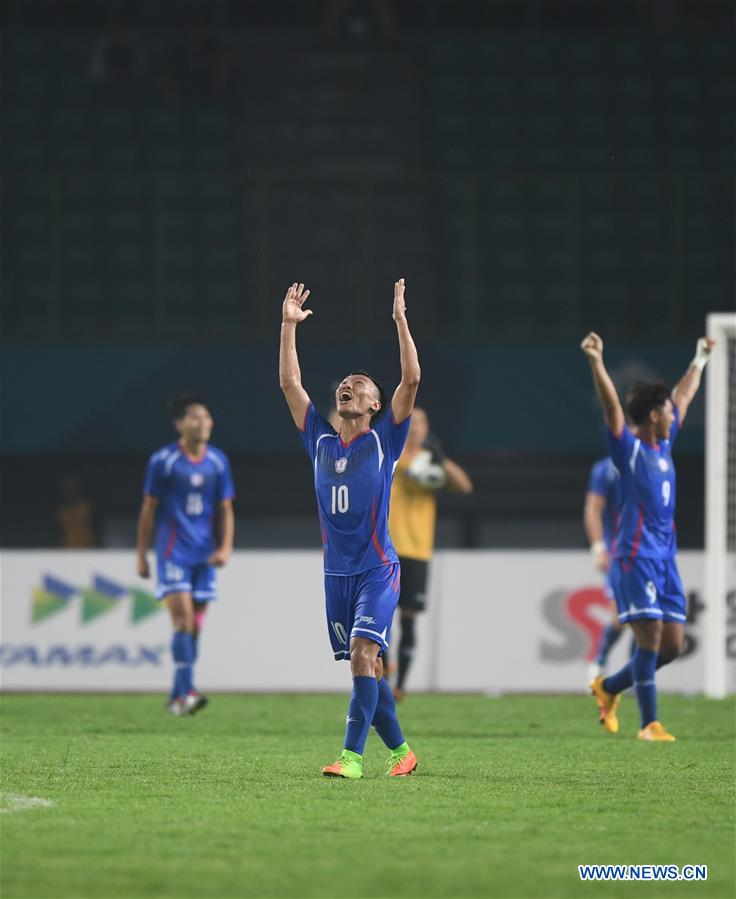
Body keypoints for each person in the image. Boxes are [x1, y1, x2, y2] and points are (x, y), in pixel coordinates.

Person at [279, 278, 420, 779]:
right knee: (367, 668)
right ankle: (402, 752)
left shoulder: (386, 440)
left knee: (365, 655)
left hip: (378, 568)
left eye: (362, 385)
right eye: (346, 382)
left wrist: (401, 321)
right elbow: (291, 386)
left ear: (376, 405)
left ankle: (351, 758)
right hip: (336, 574)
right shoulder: (318, 438)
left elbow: (411, 380)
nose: (350, 386)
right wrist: (288, 326)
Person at [580, 333, 715, 741]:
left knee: (672, 646)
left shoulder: (664, 445)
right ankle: (649, 724)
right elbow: (612, 407)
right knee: (650, 639)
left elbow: (684, 396)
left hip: (665, 559)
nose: (675, 415)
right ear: (654, 416)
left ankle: (609, 686)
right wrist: (597, 362)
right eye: (668, 412)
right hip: (634, 557)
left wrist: (700, 359)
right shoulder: (629, 450)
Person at [136, 395, 235, 716]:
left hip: (204, 557)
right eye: (195, 418)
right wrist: (142, 554)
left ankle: (178, 696)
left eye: (207, 418)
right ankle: (188, 693)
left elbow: (225, 509)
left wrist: (225, 547)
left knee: (195, 626)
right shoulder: (163, 461)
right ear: (180, 424)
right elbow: (149, 509)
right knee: (183, 621)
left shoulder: (217, 462)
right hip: (173, 553)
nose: (203, 423)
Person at [387, 408, 473, 700]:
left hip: (419, 550)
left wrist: (442, 459)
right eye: (411, 422)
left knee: (409, 618)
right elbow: (406, 473)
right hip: (389, 549)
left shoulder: (431, 465)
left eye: (421, 422)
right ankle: (383, 671)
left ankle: (401, 686)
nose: (415, 427)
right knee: (381, 616)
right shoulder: (392, 455)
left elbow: (464, 486)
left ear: (427, 429)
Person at [583, 456, 627, 682]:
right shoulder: (606, 469)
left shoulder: (656, 459)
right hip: (618, 553)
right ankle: (599, 662)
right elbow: (594, 508)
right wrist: (599, 548)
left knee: (650, 620)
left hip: (651, 553)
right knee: (621, 615)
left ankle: (637, 677)